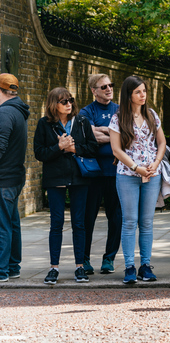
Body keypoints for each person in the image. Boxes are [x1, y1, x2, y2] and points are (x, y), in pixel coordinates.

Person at [34, 87, 99, 285]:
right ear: (54, 104)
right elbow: (39, 153)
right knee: (57, 223)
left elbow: (93, 148)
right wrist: (59, 147)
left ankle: (80, 267)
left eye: (70, 100)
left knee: (79, 223)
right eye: (64, 101)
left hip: (79, 178)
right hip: (55, 179)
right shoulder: (44, 124)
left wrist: (74, 148)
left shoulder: (81, 122)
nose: (69, 104)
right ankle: (54, 268)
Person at [109, 76, 167, 284]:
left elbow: (162, 142)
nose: (143, 95)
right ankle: (129, 267)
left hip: (152, 175)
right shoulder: (118, 118)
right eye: (138, 92)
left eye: (144, 91)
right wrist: (136, 168)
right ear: (129, 95)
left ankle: (145, 266)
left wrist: (157, 162)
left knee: (147, 222)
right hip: (127, 175)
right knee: (129, 221)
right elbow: (116, 149)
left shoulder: (151, 115)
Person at [80, 74, 122, 275]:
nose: (108, 89)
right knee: (89, 218)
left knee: (116, 218)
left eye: (110, 85)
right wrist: (113, 134)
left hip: (116, 173)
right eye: (103, 86)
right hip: (94, 174)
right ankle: (85, 259)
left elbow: (127, 135)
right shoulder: (86, 111)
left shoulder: (120, 110)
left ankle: (109, 258)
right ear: (93, 90)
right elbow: (89, 136)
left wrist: (101, 131)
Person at [0, 74, 30, 283]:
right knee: (12, 223)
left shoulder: (4, 113)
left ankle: (1, 271)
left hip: (4, 179)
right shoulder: (19, 111)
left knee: (2, 225)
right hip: (15, 177)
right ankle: (12, 267)